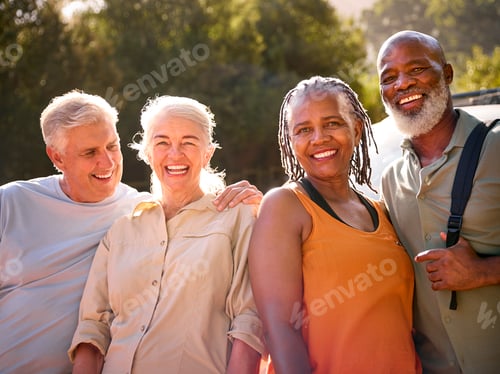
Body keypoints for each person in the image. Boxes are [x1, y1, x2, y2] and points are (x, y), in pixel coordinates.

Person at [0, 90, 261, 374]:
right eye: (163, 142)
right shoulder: (120, 225)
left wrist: (264, 207)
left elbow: (248, 319)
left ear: (208, 152)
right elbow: (94, 326)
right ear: (147, 152)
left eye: (112, 147)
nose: (108, 163)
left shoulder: (235, 218)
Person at [248, 76, 421, 374]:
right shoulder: (285, 207)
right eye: (304, 130)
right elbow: (280, 328)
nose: (319, 138)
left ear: (355, 129)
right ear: (291, 141)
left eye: (331, 123)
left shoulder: (381, 210)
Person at [377, 30, 500, 374]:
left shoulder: (497, 149)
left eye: (416, 70)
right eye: (389, 77)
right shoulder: (389, 181)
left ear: (447, 74)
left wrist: (483, 272)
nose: (402, 84)